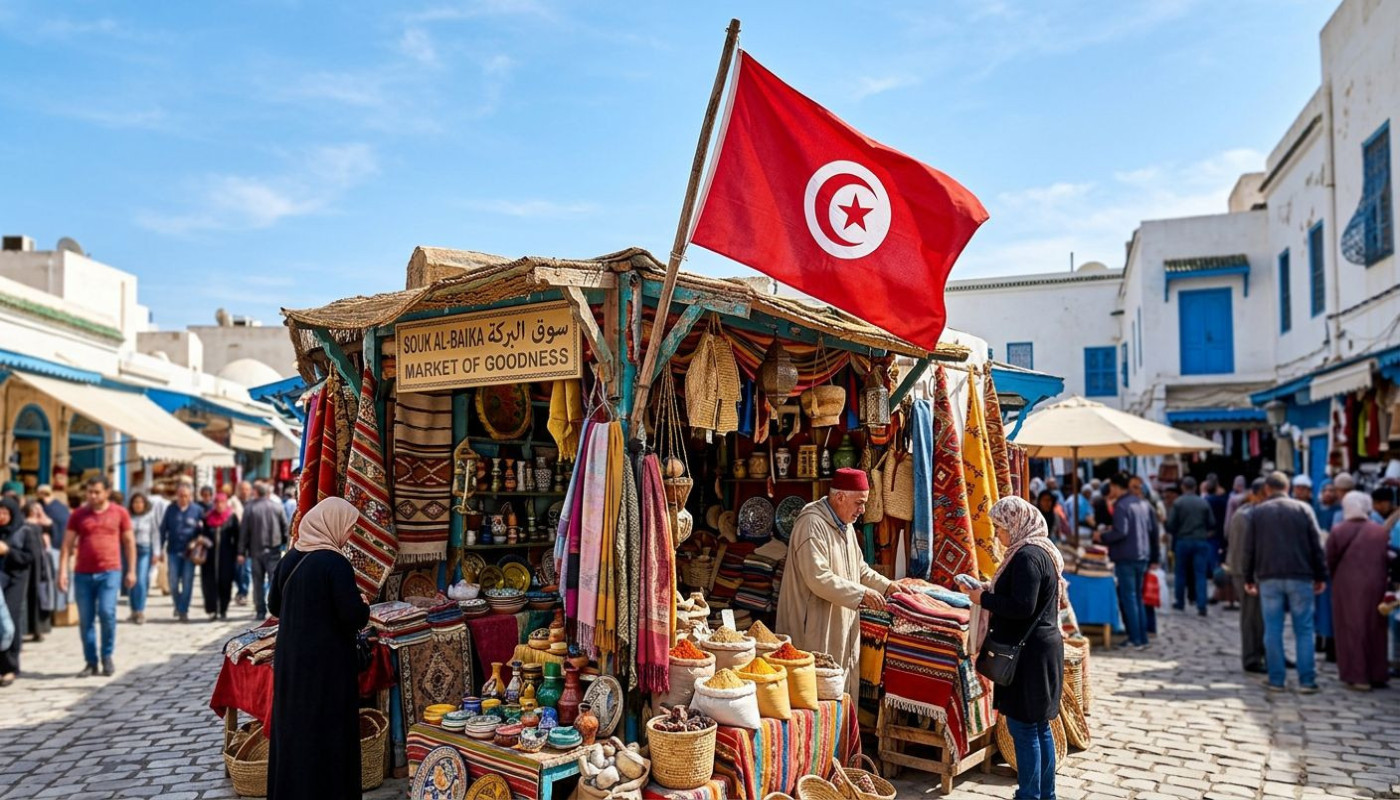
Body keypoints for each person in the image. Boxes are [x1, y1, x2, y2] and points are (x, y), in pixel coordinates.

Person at [267, 497, 370, 800]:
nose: (349, 535)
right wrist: (362, 605)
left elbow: (274, 605)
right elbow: (352, 616)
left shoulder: (290, 557)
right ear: (333, 524)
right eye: (348, 528)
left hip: (291, 662)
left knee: (295, 733)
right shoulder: (334, 562)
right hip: (327, 667)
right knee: (328, 734)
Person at [965, 496, 1064, 800]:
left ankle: (1030, 796)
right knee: (1038, 727)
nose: (997, 535)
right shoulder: (1041, 551)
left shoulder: (1027, 557)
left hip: (1028, 655)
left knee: (1024, 729)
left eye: (1000, 527)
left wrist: (984, 599)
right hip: (1040, 649)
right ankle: (1045, 795)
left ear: (1016, 523)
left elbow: (1022, 606)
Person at [777, 468, 898, 698]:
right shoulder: (812, 524)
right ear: (840, 497)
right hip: (813, 625)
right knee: (815, 695)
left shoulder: (846, 526)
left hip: (840, 624)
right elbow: (818, 578)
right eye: (859, 503)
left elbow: (859, 569)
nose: (862, 510)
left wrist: (887, 586)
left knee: (838, 691)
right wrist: (862, 594)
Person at [1242, 472, 1328, 693]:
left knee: (1272, 628)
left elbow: (1249, 548)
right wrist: (1321, 575)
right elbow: (1316, 546)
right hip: (1300, 575)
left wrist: (1248, 577)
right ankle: (1307, 680)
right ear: (1288, 487)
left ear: (1268, 489)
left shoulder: (1258, 512)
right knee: (1304, 629)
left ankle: (1276, 679)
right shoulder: (1303, 509)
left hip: (1269, 576)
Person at [58, 476, 135, 677]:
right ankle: (90, 661)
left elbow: (129, 543)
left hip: (110, 572)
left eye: (97, 492)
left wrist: (132, 570)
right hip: (83, 573)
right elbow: (66, 545)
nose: (92, 496)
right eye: (89, 491)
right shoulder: (78, 514)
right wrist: (62, 572)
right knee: (86, 619)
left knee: (107, 612)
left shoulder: (120, 513)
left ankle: (107, 656)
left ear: (107, 492)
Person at [1326, 491, 1391, 690]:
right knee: (1375, 628)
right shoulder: (1379, 531)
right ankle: (1377, 673)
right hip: (1376, 586)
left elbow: (1329, 559)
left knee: (1351, 629)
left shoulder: (1338, 531)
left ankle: (1357, 675)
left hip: (1346, 587)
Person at [1095, 472, 1158, 650]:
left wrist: (1103, 536)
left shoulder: (1122, 505)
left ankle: (1135, 639)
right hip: (1141, 555)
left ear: (1115, 487)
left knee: (1129, 598)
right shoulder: (1142, 504)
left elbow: (1121, 531)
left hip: (1127, 556)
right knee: (1137, 598)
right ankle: (1142, 637)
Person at [1227, 478, 1268, 672]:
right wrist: (1250, 576)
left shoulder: (1249, 513)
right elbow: (1245, 550)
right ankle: (1252, 658)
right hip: (1246, 572)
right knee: (1251, 617)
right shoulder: (1246, 515)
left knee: (1260, 617)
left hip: (1247, 571)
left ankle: (1266, 653)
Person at [0, 498, 39, 687]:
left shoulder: (24, 531)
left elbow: (30, 557)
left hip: (16, 581)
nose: (1, 517)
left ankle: (10, 667)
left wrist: (8, 551)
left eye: (5, 513)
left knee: (10, 622)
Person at [1166, 476, 1215, 617]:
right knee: (1200, 574)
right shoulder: (1203, 503)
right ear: (1195, 487)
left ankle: (1180, 601)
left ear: (1183, 487)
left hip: (1183, 540)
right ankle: (1201, 604)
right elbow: (1211, 523)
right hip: (1200, 540)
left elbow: (1171, 524)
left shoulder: (1178, 503)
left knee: (1180, 573)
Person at [240, 482, 289, 621]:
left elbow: (244, 532)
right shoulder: (277, 507)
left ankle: (260, 610)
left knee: (257, 582)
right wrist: (285, 545)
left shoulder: (250, 508)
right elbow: (285, 529)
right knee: (274, 581)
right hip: (273, 550)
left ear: (256, 492)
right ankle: (275, 609)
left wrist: (241, 551)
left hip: (256, 550)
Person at [161, 484, 204, 623]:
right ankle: (178, 604)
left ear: (190, 496)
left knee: (187, 582)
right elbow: (163, 530)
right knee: (173, 582)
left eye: (186, 495)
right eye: (180, 495)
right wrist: (160, 550)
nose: (183, 498)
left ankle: (183, 610)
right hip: (173, 551)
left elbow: (203, 531)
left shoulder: (197, 510)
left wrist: (198, 541)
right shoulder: (170, 509)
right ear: (176, 495)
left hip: (190, 553)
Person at [198, 493, 240, 621]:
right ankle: (212, 610)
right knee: (209, 583)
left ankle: (223, 609)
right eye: (217, 502)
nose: (219, 505)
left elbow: (237, 537)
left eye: (222, 502)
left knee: (225, 582)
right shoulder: (207, 518)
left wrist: (239, 553)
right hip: (209, 557)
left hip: (226, 556)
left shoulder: (232, 518)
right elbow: (202, 534)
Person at [127, 493, 159, 624]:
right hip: (129, 551)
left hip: (144, 550)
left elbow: (156, 534)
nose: (138, 505)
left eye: (140, 502)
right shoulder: (128, 517)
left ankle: (140, 610)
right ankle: (133, 609)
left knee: (141, 580)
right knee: (130, 582)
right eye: (135, 502)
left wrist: (157, 552)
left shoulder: (150, 517)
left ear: (145, 504)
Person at [37, 484, 70, 551]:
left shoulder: (48, 507)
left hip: (55, 545)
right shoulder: (62, 507)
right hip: (65, 543)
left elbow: (46, 522)